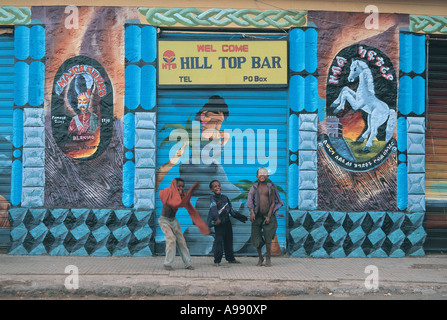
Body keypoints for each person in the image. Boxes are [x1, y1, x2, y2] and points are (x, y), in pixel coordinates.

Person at [158, 178, 210, 270]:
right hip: (164, 221)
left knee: (181, 241)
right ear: (174, 185)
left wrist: (189, 192)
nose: (181, 188)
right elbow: (170, 202)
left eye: (182, 187)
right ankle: (167, 264)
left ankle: (187, 263)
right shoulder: (168, 192)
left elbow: (183, 203)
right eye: (179, 186)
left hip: (173, 221)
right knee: (171, 239)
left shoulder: (180, 196)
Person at [247, 168, 284, 267]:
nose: (262, 175)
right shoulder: (254, 187)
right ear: (257, 176)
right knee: (256, 238)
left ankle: (268, 258)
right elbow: (250, 201)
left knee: (268, 238)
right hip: (257, 216)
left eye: (264, 174)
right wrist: (252, 212)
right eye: (260, 174)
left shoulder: (271, 187)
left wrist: (268, 216)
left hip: (269, 216)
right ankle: (260, 258)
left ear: (267, 176)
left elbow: (273, 203)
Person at [207, 180, 248, 266]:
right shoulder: (213, 199)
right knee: (219, 241)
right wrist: (217, 218)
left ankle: (230, 258)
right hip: (219, 224)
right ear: (211, 189)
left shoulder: (225, 198)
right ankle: (217, 261)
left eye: (218, 185)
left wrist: (242, 217)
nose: (217, 187)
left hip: (227, 222)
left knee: (229, 240)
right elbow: (213, 210)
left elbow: (231, 210)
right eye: (215, 186)